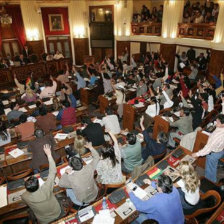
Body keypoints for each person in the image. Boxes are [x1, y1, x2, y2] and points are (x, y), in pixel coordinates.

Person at [22, 144, 61, 224]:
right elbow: (53, 171)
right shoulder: (46, 188)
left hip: (44, 220)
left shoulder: (25, 196)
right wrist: (49, 155)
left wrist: (27, 182)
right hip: (57, 212)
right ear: (38, 185)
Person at [59, 141, 100, 206]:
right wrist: (91, 147)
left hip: (83, 200)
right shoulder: (89, 168)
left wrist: (66, 173)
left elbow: (60, 184)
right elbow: (97, 157)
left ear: (71, 167)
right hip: (94, 193)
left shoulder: (71, 178)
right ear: (81, 161)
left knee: (68, 189)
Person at [192, 114, 224, 182]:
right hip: (220, 151)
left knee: (210, 171)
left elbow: (208, 148)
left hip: (213, 154)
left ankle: (209, 184)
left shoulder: (218, 136)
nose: (216, 122)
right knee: (213, 167)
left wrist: (197, 154)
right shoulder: (221, 129)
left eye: (218, 122)